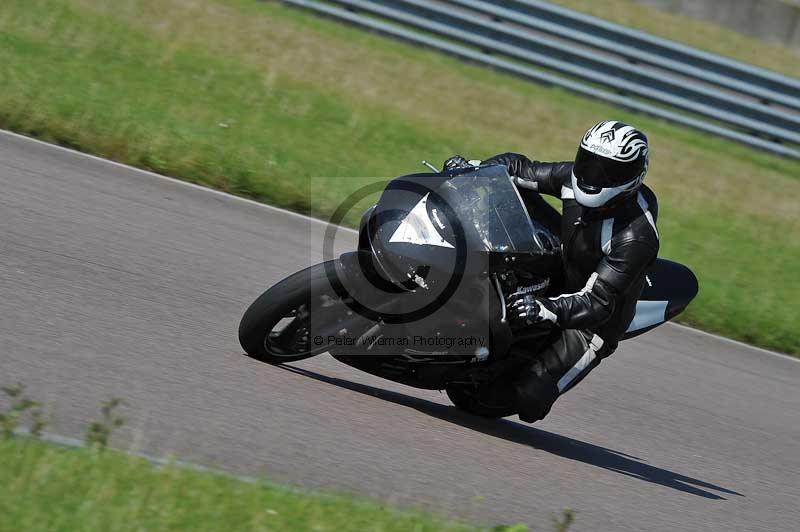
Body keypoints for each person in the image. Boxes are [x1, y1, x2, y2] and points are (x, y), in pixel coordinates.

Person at [446, 120, 659, 422]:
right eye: (589, 162)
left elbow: (597, 302)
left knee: (531, 400)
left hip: (593, 324)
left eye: (609, 171)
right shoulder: (574, 178)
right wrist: (474, 168)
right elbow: (520, 167)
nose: (593, 176)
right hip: (566, 262)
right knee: (505, 192)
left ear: (634, 177)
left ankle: (512, 361)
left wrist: (543, 309)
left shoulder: (635, 236)